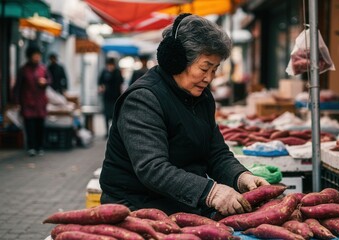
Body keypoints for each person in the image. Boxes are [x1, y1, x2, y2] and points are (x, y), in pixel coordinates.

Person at [99, 14, 269, 217]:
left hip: (181, 205)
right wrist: (210, 192)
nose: (209, 78)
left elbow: (216, 153)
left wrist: (241, 177)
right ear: (176, 61)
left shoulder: (202, 97)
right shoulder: (143, 99)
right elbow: (153, 168)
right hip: (136, 209)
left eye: (214, 70)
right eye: (205, 68)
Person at [14, 44, 51, 156]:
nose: (37, 58)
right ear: (30, 56)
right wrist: (16, 102)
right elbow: (18, 87)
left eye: (38, 56)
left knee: (40, 125)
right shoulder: (23, 70)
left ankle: (40, 146)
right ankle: (31, 147)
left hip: (40, 103)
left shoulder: (43, 68)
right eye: (35, 55)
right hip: (27, 102)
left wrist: (45, 82)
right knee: (29, 126)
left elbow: (49, 80)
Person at [98, 57, 124, 137]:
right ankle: (107, 132)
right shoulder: (104, 72)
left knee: (114, 115)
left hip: (116, 97)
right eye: (108, 65)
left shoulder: (117, 72)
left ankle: (114, 132)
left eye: (111, 65)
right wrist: (101, 88)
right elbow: (100, 82)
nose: (110, 66)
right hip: (106, 97)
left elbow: (120, 84)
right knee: (106, 115)